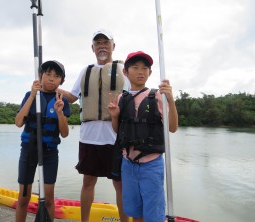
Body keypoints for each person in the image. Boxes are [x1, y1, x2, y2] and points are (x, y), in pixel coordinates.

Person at [58, 29, 129, 221]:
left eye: (106, 42)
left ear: (113, 46)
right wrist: (52, 86)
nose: (102, 46)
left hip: (115, 137)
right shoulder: (85, 71)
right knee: (88, 181)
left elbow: (135, 94)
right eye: (98, 43)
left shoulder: (124, 70)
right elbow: (72, 97)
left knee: (120, 184)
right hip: (89, 136)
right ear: (92, 48)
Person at [108, 51, 178, 222]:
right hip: (128, 164)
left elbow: (173, 128)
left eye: (145, 68)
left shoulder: (158, 96)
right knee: (135, 211)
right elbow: (118, 131)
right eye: (135, 67)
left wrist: (171, 100)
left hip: (151, 165)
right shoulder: (121, 98)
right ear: (125, 72)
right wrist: (115, 116)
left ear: (150, 72)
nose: (140, 71)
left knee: (153, 214)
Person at [15, 60, 70, 222]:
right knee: (24, 197)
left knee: (49, 199)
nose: (51, 79)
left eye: (56, 76)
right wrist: (32, 95)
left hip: (49, 153)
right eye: (48, 74)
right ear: (40, 76)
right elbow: (18, 122)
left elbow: (65, 133)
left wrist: (60, 113)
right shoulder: (30, 95)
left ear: (62, 81)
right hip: (29, 150)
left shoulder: (62, 100)